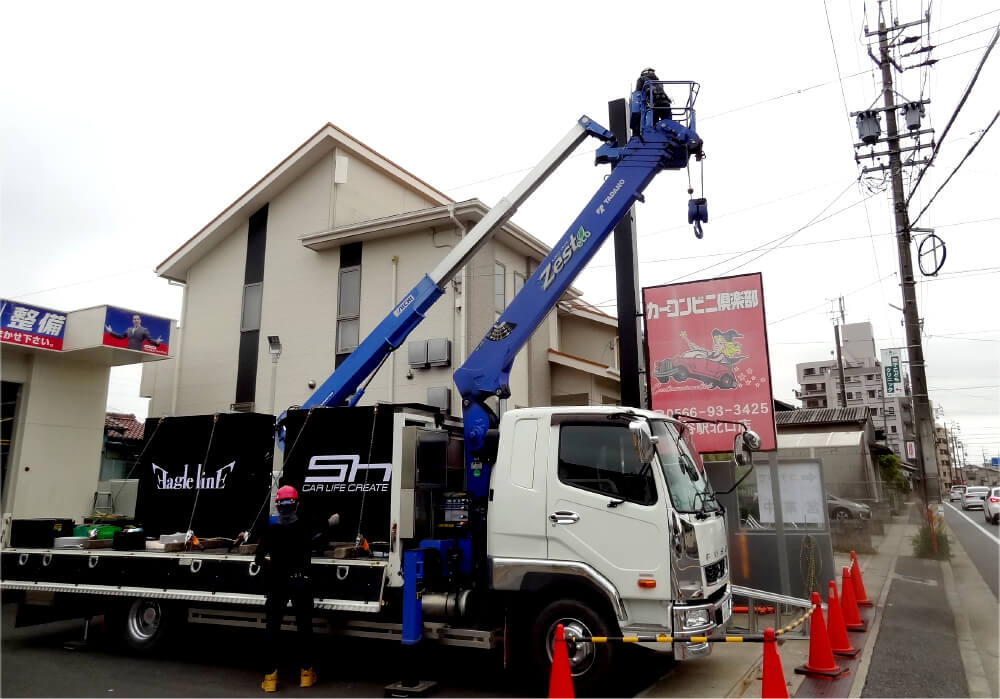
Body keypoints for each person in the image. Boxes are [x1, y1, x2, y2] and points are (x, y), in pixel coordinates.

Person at [255, 485, 340, 692]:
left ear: (277, 506)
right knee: (304, 628)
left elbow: (258, 559)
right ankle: (306, 675)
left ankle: (270, 678)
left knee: (272, 629)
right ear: (297, 505)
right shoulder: (306, 526)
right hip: (301, 582)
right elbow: (331, 523)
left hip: (277, 584)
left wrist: (272, 563)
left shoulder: (270, 530)